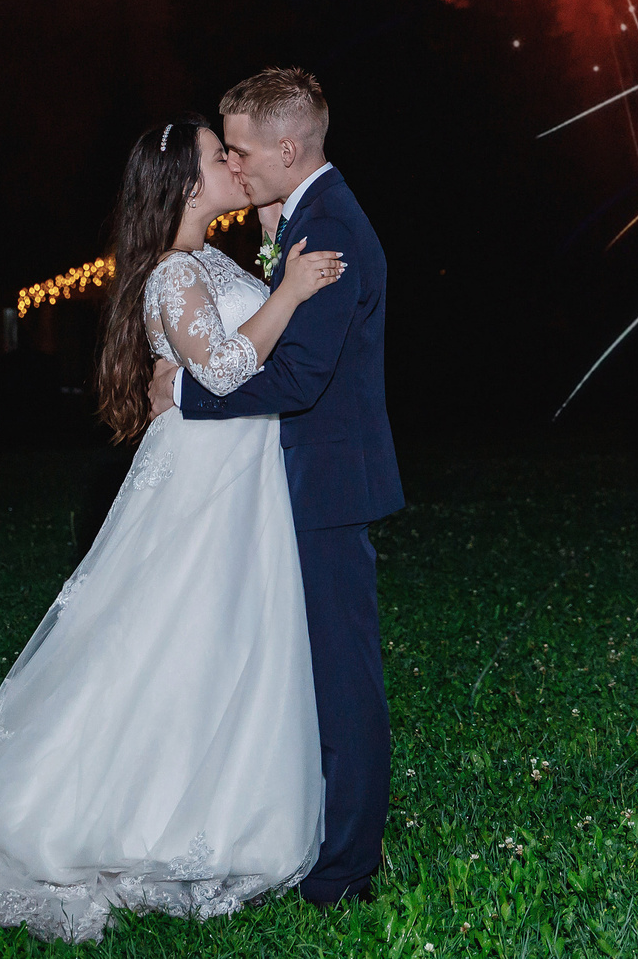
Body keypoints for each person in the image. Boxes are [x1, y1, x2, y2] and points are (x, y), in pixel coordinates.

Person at [0, 111, 346, 941]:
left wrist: (276, 259)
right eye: (218, 155)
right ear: (182, 182)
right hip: (205, 482)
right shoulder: (172, 274)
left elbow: (232, 359)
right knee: (172, 637)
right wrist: (287, 292)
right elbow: (227, 365)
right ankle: (96, 815)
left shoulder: (212, 258)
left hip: (243, 478)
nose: (233, 164)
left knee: (226, 638)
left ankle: (233, 800)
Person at [159, 66, 399, 907]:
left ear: (289, 148)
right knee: (303, 673)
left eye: (242, 148)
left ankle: (345, 874)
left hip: (326, 482)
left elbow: (298, 378)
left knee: (343, 681)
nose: (233, 160)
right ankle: (306, 836)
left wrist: (185, 394)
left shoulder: (328, 223)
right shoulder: (300, 212)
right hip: (299, 479)